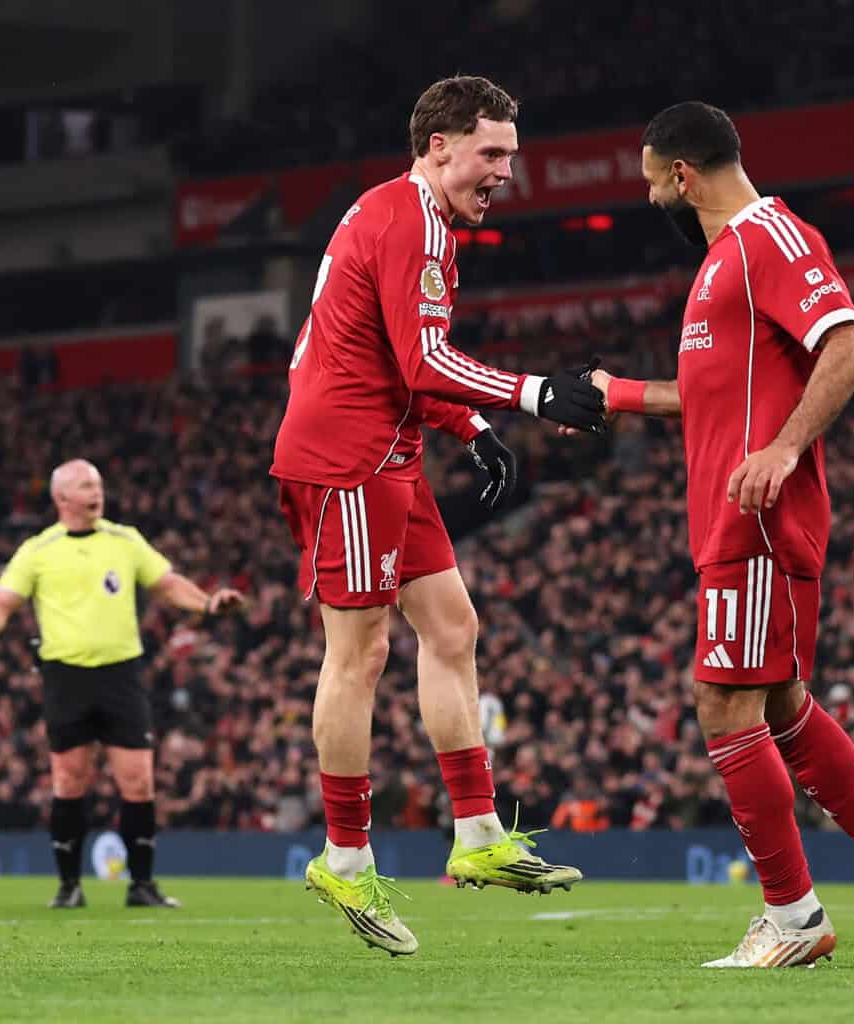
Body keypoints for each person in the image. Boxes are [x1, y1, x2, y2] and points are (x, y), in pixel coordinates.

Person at [585, 101, 854, 969]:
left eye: (652, 184)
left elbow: (850, 346)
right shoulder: (722, 263)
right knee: (780, 704)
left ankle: (792, 917)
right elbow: (709, 397)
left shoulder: (768, 238)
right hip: (730, 517)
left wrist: (784, 449)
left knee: (723, 702)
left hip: (756, 519)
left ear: (682, 176)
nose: (651, 201)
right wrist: (618, 395)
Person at [270, 75, 603, 957]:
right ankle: (345, 857)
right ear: (439, 145)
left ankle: (480, 833)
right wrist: (533, 394)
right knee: (361, 653)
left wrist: (474, 426)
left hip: (389, 448)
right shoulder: (412, 224)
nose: (505, 173)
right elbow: (420, 360)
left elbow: (400, 360)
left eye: (511, 156)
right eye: (492, 153)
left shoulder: (414, 217)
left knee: (453, 628)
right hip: (346, 456)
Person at [0, 459, 244, 910]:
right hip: (66, 677)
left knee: (139, 781)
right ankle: (68, 886)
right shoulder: (39, 549)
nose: (96, 492)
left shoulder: (125, 540)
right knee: (69, 780)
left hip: (121, 675)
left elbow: (168, 584)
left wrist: (208, 604)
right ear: (61, 497)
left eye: (97, 484)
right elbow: (4, 601)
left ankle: (142, 886)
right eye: (84, 485)